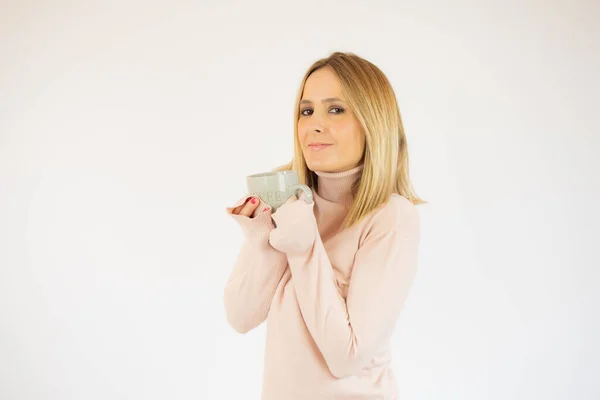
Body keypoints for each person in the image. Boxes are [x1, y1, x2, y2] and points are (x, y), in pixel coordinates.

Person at [223, 51, 426, 400]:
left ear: (372, 121)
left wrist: (302, 246)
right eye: (307, 111)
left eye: (336, 109)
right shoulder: (294, 207)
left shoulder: (392, 217)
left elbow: (347, 356)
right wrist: (262, 235)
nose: (315, 124)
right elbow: (240, 316)